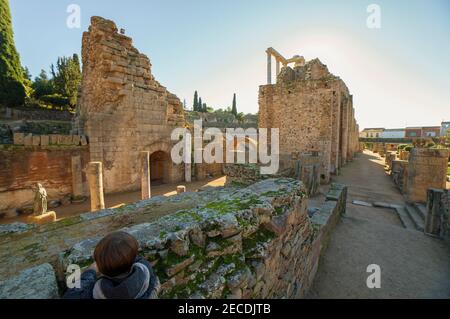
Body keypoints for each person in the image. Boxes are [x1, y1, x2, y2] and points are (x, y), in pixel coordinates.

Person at [64, 231, 160, 299]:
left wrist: (90, 272)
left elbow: (71, 295)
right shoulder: (145, 270)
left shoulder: (97, 292)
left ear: (102, 270)